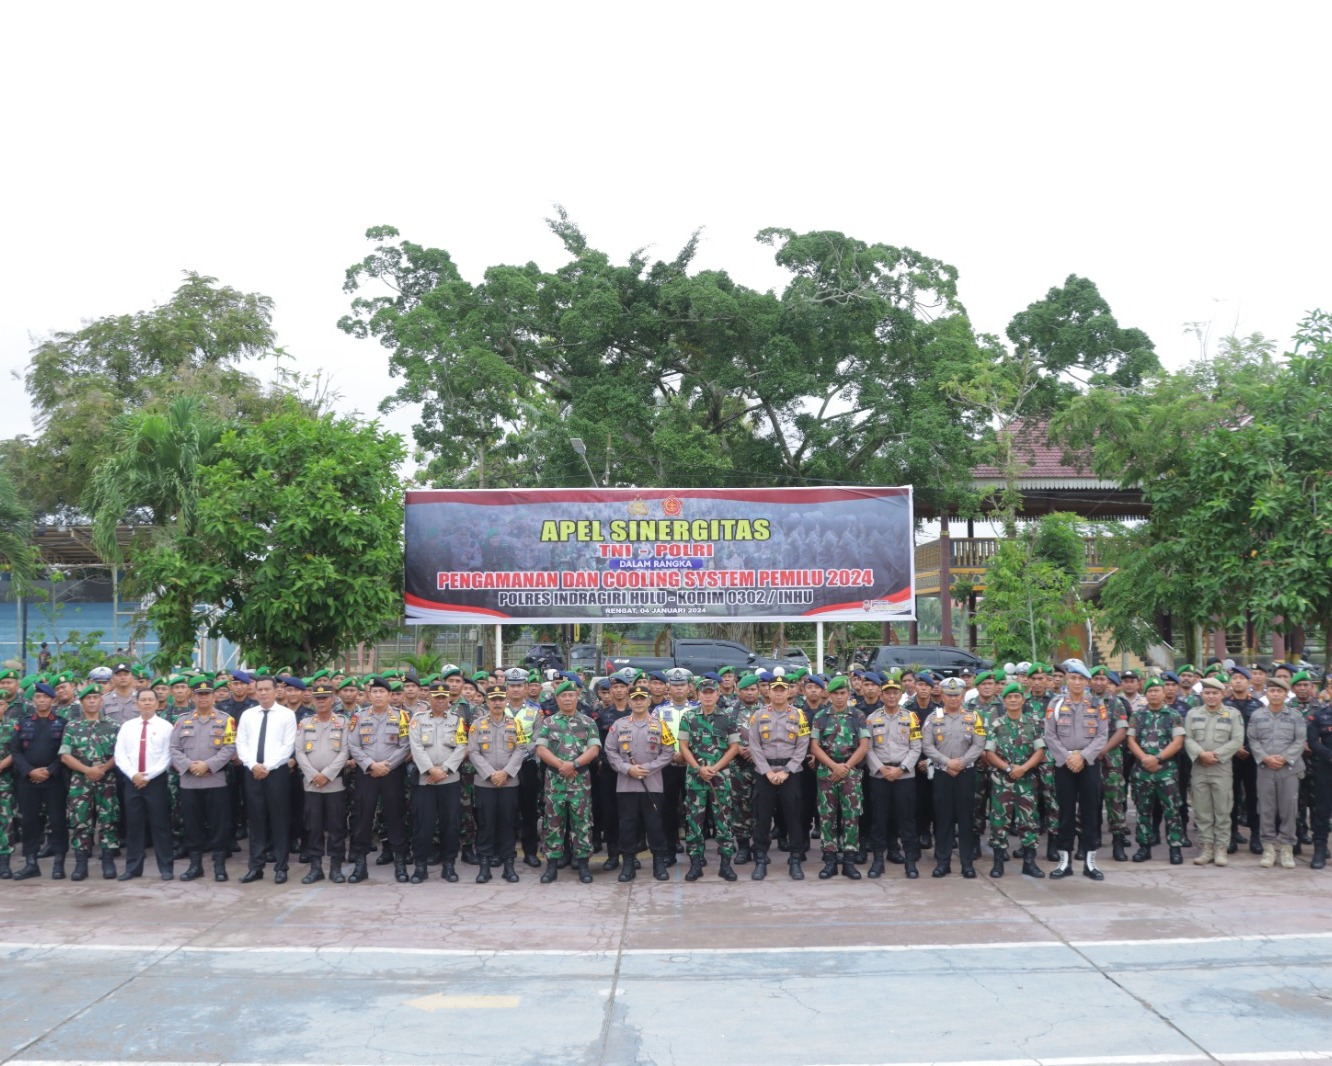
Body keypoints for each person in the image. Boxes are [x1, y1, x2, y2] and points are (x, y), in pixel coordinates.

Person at [1043, 659, 1109, 881]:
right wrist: (1067, 757)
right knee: (1065, 812)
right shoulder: (1056, 704)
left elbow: (1102, 735)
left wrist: (1084, 756)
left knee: (1091, 812)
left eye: (1081, 678)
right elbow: (1049, 735)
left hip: (1088, 764)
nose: (1077, 682)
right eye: (1073, 678)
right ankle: (1064, 862)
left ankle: (1090, 862)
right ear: (1067, 680)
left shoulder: (1097, 705)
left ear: (1087, 681)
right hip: (1064, 764)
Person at [604, 682, 676, 882]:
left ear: (649, 700)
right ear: (629, 701)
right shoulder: (619, 725)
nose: (638, 702)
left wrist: (648, 769)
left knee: (654, 824)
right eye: (634, 699)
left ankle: (658, 863)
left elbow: (668, 751)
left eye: (642, 699)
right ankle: (628, 864)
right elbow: (609, 750)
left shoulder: (660, 724)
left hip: (653, 783)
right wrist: (628, 769)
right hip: (626, 784)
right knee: (627, 825)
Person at [533, 679, 600, 884]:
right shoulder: (548, 722)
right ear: (557, 698)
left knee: (582, 824)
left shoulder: (588, 722)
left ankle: (583, 866)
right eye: (563, 695)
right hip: (555, 782)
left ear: (577, 697)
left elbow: (594, 749)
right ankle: (551, 867)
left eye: (571, 695)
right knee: (553, 824)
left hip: (580, 781)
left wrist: (575, 764)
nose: (568, 698)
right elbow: (541, 749)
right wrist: (562, 765)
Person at [169, 677, 236, 883]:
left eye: (207, 694)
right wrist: (190, 765)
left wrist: (208, 765)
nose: (204, 698)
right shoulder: (182, 720)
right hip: (190, 782)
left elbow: (230, 747)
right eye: (199, 695)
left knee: (219, 825)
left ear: (214, 696)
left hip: (215, 781)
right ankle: (195, 865)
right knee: (192, 825)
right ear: (193, 696)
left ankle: (219, 866)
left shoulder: (226, 720)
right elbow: (173, 748)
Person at [346, 677, 411, 884]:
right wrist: (371, 765)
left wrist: (387, 766)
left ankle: (400, 863)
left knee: (395, 817)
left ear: (390, 696)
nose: (378, 695)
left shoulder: (402, 717)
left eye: (383, 692)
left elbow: (406, 745)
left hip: (392, 774)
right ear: (368, 695)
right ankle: (360, 865)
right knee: (362, 818)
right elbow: (353, 745)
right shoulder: (359, 717)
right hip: (367, 773)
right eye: (374, 692)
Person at [747, 672, 811, 880]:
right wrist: (767, 771)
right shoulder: (758, 715)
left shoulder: (799, 715)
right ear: (769, 692)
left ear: (788, 692)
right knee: (762, 817)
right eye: (775, 689)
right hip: (764, 773)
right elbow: (754, 745)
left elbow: (802, 746)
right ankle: (760, 859)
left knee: (794, 817)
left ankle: (794, 859)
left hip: (790, 773)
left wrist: (786, 771)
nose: (779, 693)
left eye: (783, 690)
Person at [234, 676, 298, 884]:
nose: (262, 693)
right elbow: (241, 742)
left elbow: (288, 745)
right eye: (259, 689)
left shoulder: (286, 715)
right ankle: (256, 867)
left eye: (266, 689)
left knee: (279, 820)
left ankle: (281, 867)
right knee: (256, 820)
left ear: (275, 691)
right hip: (252, 772)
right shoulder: (248, 715)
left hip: (276, 773)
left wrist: (267, 766)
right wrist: (252, 765)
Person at [921, 676, 986, 878]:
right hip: (942, 773)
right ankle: (943, 862)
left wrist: (961, 763)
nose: (953, 699)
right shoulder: (933, 718)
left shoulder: (974, 717)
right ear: (943, 696)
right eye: (949, 695)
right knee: (943, 820)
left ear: (962, 695)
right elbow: (927, 746)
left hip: (965, 774)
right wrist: (947, 763)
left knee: (966, 819)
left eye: (956, 694)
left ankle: (967, 864)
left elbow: (979, 744)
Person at [676, 673, 739, 882]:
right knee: (694, 822)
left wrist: (716, 768)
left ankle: (725, 865)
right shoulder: (689, 717)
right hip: (695, 778)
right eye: (705, 693)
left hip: (720, 777)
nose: (708, 697)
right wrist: (698, 769)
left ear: (718, 694)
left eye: (712, 693)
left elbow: (734, 747)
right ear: (698, 695)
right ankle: (695, 864)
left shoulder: (728, 718)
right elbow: (683, 747)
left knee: (723, 820)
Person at [407, 679, 468, 884]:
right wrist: (431, 770)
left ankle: (448, 865)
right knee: (423, 825)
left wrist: (444, 770)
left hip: (449, 780)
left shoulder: (457, 720)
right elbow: (416, 747)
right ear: (429, 697)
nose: (440, 700)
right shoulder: (418, 719)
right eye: (436, 697)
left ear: (448, 699)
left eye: (444, 697)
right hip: (425, 781)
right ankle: (420, 866)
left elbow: (461, 747)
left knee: (450, 825)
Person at [468, 683, 529, 883]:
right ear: (486, 701)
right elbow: (473, 752)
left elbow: (521, 749)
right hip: (485, 783)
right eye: (493, 699)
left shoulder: (515, 724)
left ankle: (508, 864)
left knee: (507, 823)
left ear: (506, 701)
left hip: (508, 783)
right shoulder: (477, 724)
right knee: (485, 823)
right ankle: (484, 864)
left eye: (500, 699)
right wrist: (490, 773)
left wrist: (506, 773)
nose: (497, 703)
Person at [984, 682, 1046, 878]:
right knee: (999, 821)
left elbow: (1040, 751)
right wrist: (1009, 768)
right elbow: (989, 752)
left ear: (1022, 699)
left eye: (1016, 697)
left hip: (1026, 781)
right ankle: (998, 863)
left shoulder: (1033, 724)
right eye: (1009, 697)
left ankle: (1029, 863)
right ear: (1004, 701)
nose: (1013, 700)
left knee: (1029, 821)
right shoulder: (996, 725)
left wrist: (1023, 768)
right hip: (1002, 781)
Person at [59, 684, 121, 881]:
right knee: (81, 822)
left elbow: (120, 754)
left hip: (107, 780)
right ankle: (81, 864)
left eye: (95, 698)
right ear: (82, 702)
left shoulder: (113, 725)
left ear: (101, 701)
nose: (92, 701)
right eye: (88, 698)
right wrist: (88, 770)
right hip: (81, 780)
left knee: (108, 821)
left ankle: (108, 862)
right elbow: (65, 756)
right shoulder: (72, 726)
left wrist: (102, 769)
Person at [810, 675, 870, 879]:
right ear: (829, 695)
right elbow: (815, 746)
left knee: (851, 817)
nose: (839, 697)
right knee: (827, 817)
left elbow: (863, 745)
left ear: (848, 694)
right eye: (835, 693)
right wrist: (834, 766)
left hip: (851, 772)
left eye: (843, 693)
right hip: (827, 771)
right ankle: (829, 861)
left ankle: (849, 861)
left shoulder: (858, 716)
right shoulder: (821, 716)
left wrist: (845, 767)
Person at [113, 688, 176, 880]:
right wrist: (134, 775)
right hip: (132, 781)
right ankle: (133, 868)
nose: (147, 703)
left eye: (151, 700)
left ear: (157, 704)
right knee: (134, 826)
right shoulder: (127, 727)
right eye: (143, 700)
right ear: (136, 703)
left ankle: (166, 868)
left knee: (160, 826)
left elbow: (167, 756)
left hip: (155, 781)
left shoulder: (166, 727)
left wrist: (148, 776)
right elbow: (120, 754)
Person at [863, 674, 922, 878]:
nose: (891, 696)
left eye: (895, 692)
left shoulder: (910, 718)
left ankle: (910, 862)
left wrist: (901, 769)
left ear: (900, 694)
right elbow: (867, 748)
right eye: (887, 693)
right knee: (879, 819)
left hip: (904, 776)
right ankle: (878, 860)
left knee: (906, 820)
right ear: (881, 695)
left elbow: (916, 747)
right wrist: (881, 769)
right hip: (880, 776)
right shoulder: (872, 719)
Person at [10, 682, 70, 880]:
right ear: (33, 701)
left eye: (45, 697)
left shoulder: (62, 723)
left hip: (54, 781)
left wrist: (49, 771)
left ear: (52, 701)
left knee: (58, 821)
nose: (41, 701)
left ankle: (59, 864)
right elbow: (16, 751)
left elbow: (64, 752)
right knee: (29, 822)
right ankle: (31, 863)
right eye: (38, 697)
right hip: (28, 781)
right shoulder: (24, 722)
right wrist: (29, 771)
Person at [1183, 675, 1245, 866]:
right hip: (1199, 768)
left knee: (1223, 810)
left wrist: (1215, 755)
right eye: (1207, 693)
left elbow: (1237, 740)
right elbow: (1187, 738)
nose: (1211, 697)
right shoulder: (1193, 714)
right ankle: (1207, 847)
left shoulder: (1233, 714)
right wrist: (1201, 754)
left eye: (1215, 693)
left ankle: (1221, 849)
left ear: (1223, 694)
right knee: (1202, 811)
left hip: (1221, 768)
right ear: (1202, 694)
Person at [1248, 677, 1307, 869]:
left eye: (1279, 691)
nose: (1275, 694)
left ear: (1285, 694)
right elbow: (1253, 739)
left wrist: (1283, 758)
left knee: (1289, 809)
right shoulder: (1257, 715)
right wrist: (1265, 758)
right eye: (1272, 691)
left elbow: (1300, 740)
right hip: (1265, 769)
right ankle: (1269, 849)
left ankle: (1287, 848)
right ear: (1267, 693)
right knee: (1266, 809)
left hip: (1289, 769)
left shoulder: (1296, 715)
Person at [1126, 678, 1185, 865]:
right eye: (1150, 691)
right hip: (1142, 770)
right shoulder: (1137, 715)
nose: (1153, 694)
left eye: (1157, 690)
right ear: (1146, 693)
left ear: (1163, 692)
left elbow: (1178, 742)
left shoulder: (1173, 715)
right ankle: (1144, 847)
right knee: (1143, 810)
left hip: (1166, 771)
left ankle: (1175, 848)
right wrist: (1145, 758)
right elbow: (1131, 740)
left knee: (1172, 810)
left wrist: (1157, 758)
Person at [1309, 682, 1332, 871]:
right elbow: (1312, 741)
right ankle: (1319, 848)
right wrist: (1328, 755)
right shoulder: (1320, 715)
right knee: (1322, 810)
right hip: (1326, 766)